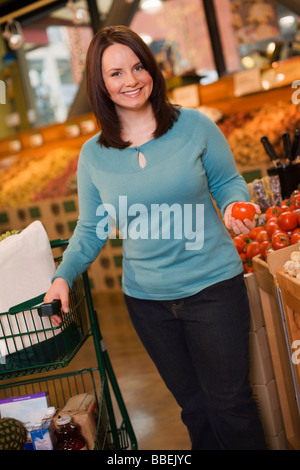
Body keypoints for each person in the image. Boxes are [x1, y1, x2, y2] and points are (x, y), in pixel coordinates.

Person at [44, 25, 266, 450]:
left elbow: (229, 182)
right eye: (115, 73)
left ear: (152, 70)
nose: (131, 80)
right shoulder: (93, 154)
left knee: (230, 405)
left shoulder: (194, 126)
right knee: (194, 409)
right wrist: (62, 277)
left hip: (213, 288)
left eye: (138, 66)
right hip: (147, 303)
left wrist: (239, 206)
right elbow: (92, 228)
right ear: (100, 83)